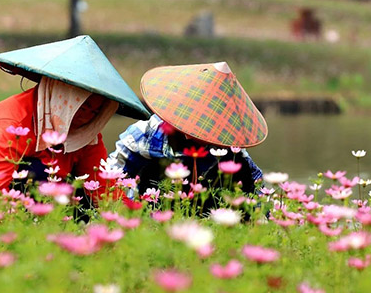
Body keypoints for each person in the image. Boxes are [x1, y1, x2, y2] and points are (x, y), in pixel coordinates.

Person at [0, 36, 150, 193]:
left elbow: (102, 189)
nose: (88, 118)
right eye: (83, 108)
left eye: (96, 112)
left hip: (37, 210)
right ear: (62, 99)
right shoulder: (12, 123)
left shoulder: (85, 134)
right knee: (39, 173)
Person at [109, 62, 268, 199]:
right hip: (152, 202)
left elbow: (256, 186)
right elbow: (111, 175)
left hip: (201, 202)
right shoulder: (144, 135)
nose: (191, 135)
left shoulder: (226, 144)